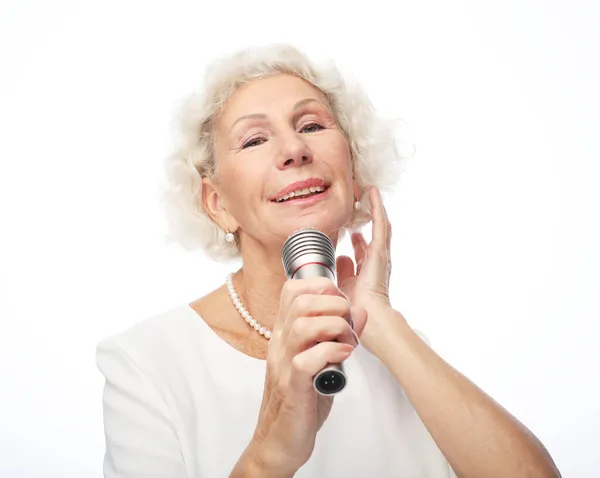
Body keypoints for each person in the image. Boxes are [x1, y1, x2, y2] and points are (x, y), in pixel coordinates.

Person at [96, 44, 561, 478]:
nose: (295, 150)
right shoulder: (145, 363)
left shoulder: (399, 349)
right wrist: (269, 453)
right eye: (255, 139)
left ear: (354, 172)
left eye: (313, 126)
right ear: (217, 203)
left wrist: (380, 321)